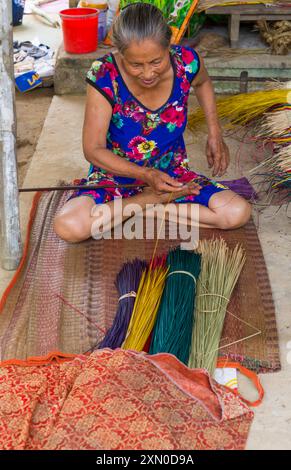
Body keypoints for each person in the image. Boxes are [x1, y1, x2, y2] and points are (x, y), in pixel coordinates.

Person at [53, 2, 251, 243]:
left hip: (171, 176)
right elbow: (92, 150)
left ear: (169, 45)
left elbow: (203, 83)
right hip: (115, 178)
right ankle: (148, 201)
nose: (147, 74)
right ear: (120, 53)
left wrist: (214, 132)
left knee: (236, 212)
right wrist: (146, 177)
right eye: (136, 64)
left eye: (156, 62)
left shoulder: (186, 63)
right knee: (69, 226)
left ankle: (136, 208)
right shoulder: (105, 74)